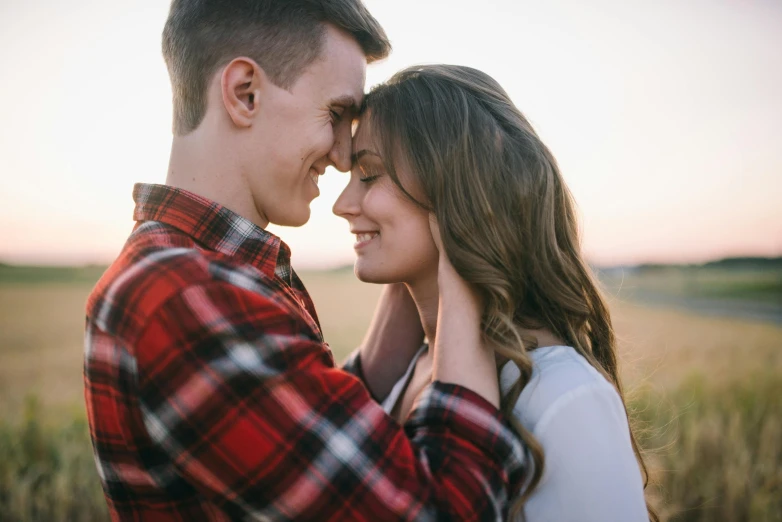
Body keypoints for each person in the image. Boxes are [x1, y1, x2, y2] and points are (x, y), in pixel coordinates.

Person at [83, 3, 526, 521]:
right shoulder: (187, 296)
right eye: (336, 115)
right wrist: (466, 259)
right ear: (244, 92)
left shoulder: (197, 273)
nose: (343, 156)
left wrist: (425, 234)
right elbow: (444, 512)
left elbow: (314, 438)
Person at [333, 64, 656, 521]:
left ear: (457, 187)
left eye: (368, 173)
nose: (341, 204)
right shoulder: (413, 366)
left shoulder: (562, 395)